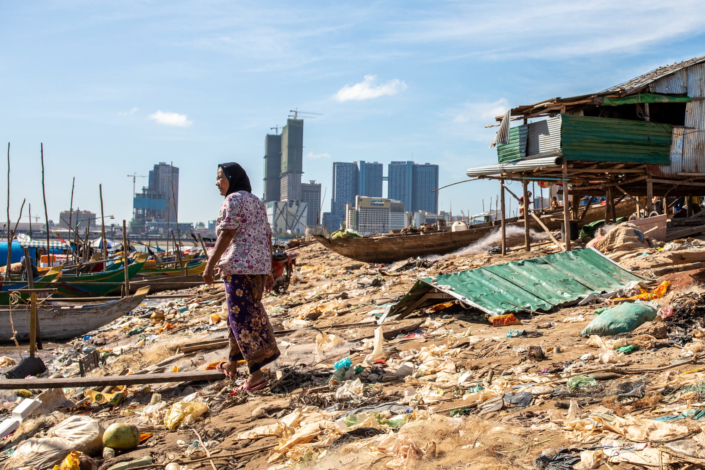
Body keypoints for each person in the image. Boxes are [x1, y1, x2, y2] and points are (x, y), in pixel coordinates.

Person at [203, 163, 280, 392]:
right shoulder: (256, 201)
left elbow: (227, 233)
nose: (217, 182)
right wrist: (267, 270)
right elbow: (266, 236)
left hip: (238, 269)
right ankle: (233, 364)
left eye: (220, 177)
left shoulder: (232, 200)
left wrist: (210, 264)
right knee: (237, 317)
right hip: (256, 269)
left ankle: (256, 374)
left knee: (241, 320)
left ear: (231, 178)